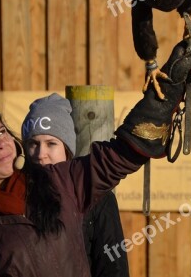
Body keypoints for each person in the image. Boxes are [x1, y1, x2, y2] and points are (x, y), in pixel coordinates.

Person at [0, 36, 191, 276]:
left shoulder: (60, 182)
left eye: (2, 132)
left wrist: (167, 87)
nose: (0, 143)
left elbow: (122, 153)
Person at [22, 94, 130, 277]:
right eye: (33, 143)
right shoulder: (13, 192)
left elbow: (113, 268)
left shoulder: (98, 197)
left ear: (67, 149)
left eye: (51, 144)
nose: (41, 154)